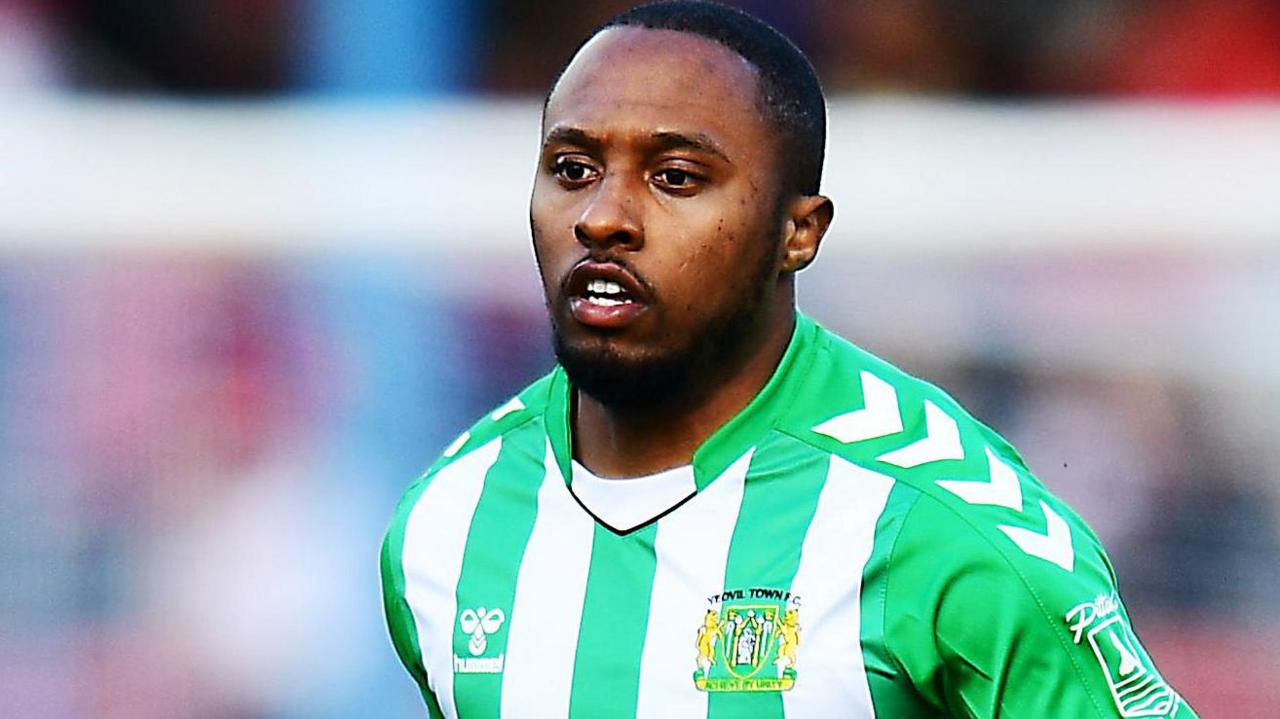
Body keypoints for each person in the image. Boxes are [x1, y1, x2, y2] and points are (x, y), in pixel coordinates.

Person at [380, 2, 1196, 716]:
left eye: (675, 177)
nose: (602, 216)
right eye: (573, 169)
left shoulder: (940, 524)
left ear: (798, 232)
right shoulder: (447, 523)